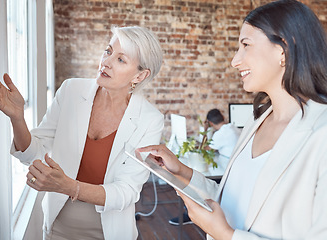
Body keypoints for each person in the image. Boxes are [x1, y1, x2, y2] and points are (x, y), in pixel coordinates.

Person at [139, 0, 327, 239]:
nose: (234, 60)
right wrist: (182, 172)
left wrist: (225, 234)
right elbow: (236, 199)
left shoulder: (322, 134)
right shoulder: (256, 121)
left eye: (245, 45)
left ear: (284, 49)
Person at [0, 26, 164, 240]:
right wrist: (17, 117)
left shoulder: (150, 120)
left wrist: (68, 186)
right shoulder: (71, 91)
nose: (106, 62)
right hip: (59, 227)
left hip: (110, 232)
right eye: (108, 51)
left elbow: (126, 192)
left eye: (121, 60)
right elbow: (33, 154)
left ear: (140, 75)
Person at [169, 108, 240, 225]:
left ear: (210, 123)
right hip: (233, 166)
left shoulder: (220, 134)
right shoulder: (234, 128)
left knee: (198, 175)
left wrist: (206, 130)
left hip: (226, 170)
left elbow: (204, 148)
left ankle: (191, 213)